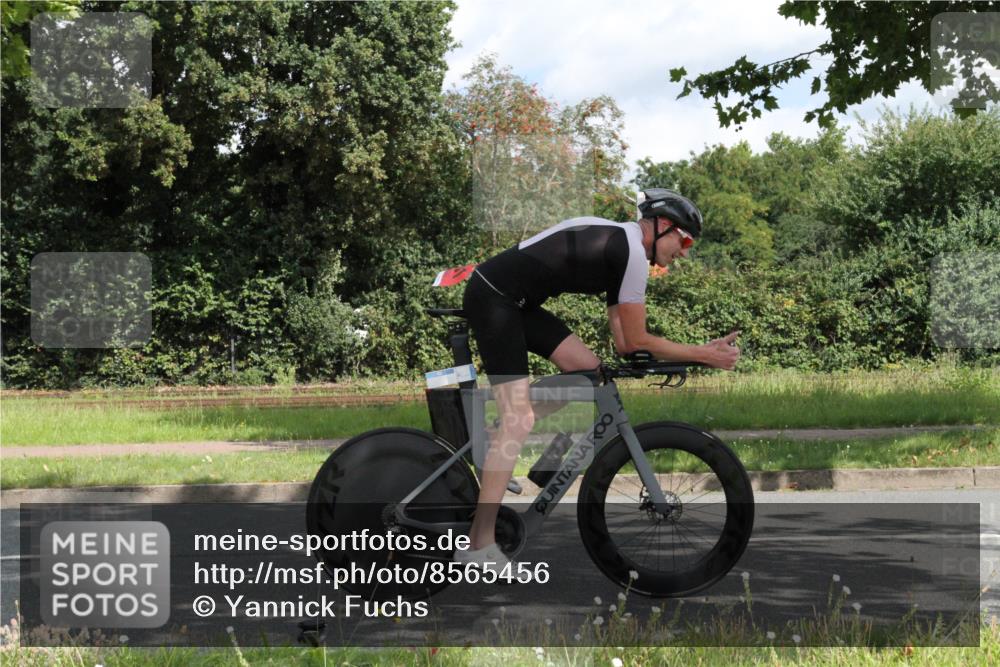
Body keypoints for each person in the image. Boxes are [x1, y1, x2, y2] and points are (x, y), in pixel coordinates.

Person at [455, 189, 741, 567]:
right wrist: (702, 353)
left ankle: (494, 439)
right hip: (496, 299)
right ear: (662, 225)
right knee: (519, 418)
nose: (685, 252)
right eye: (684, 240)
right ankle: (478, 547)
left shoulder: (622, 251)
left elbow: (624, 343)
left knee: (587, 369)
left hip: (514, 302)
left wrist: (697, 352)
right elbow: (638, 339)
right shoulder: (631, 253)